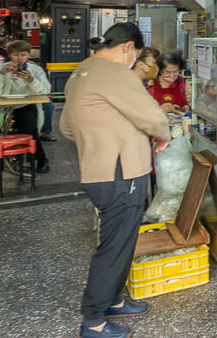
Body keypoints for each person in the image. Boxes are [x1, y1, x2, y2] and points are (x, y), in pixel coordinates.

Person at [60, 23, 171, 338]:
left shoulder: (81, 71)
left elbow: (67, 127)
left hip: (97, 171)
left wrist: (101, 137)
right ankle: (93, 320)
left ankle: (113, 300)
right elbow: (152, 117)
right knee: (115, 246)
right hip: (122, 173)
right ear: (128, 48)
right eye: (136, 55)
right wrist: (162, 135)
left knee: (120, 240)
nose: (134, 61)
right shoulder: (117, 73)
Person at [0, 39, 52, 173]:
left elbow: (46, 90)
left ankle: (20, 156)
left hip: (26, 105)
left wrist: (31, 81)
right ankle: (37, 158)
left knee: (27, 118)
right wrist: (2, 75)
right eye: (16, 55)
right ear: (9, 55)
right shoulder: (0, 69)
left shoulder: (35, 70)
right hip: (4, 108)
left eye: (23, 55)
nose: (19, 58)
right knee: (30, 128)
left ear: (29, 55)